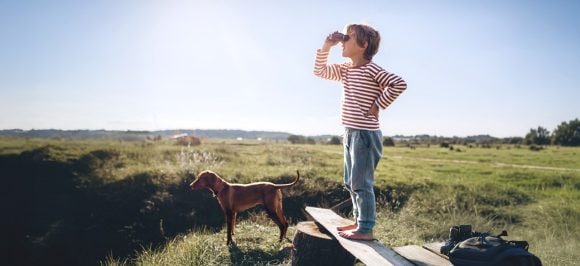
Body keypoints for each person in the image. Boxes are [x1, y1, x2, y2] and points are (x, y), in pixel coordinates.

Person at [313, 24, 407, 240]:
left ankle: (366, 228)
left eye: (349, 37)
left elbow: (398, 83)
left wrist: (377, 105)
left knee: (361, 183)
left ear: (364, 45)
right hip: (349, 132)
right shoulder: (345, 69)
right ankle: (358, 222)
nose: (343, 41)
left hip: (365, 135)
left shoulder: (372, 69)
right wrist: (327, 45)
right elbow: (319, 71)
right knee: (350, 182)